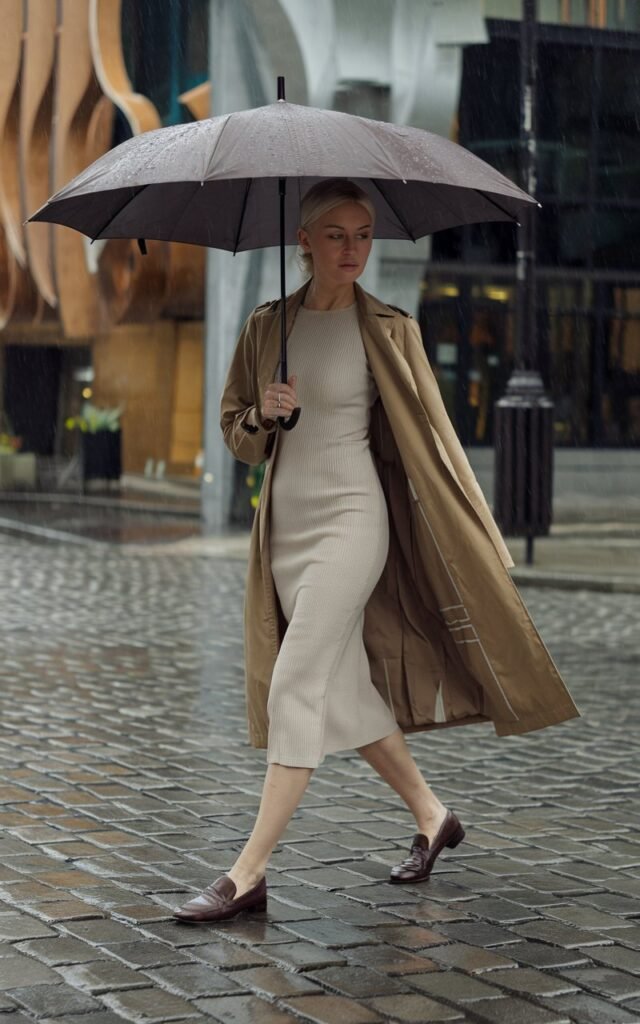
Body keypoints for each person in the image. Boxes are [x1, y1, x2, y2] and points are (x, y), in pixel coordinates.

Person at [173, 178, 579, 924]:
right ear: (304, 241)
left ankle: (247, 871)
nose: (354, 248)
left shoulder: (390, 329)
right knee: (348, 692)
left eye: (363, 234)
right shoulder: (269, 327)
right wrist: (262, 414)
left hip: (354, 523)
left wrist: (474, 523)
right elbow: (236, 434)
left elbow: (433, 440)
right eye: (337, 234)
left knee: (294, 685)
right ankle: (433, 815)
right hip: (285, 533)